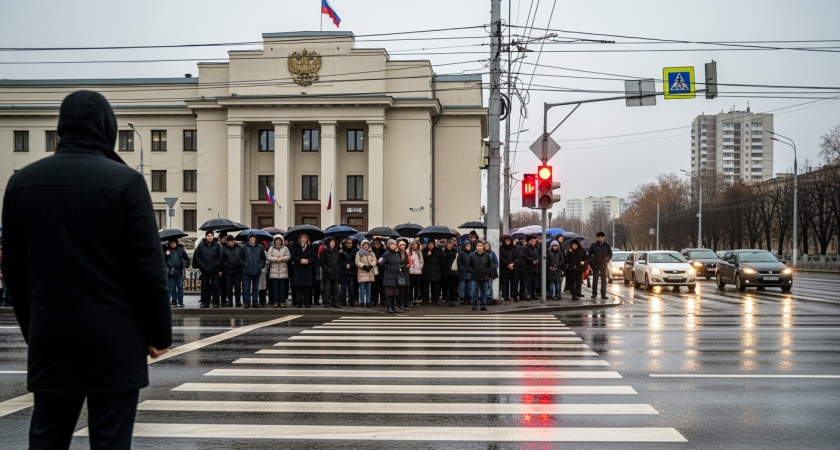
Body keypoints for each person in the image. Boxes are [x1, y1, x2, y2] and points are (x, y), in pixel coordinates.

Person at [1, 90, 171, 449]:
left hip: (52, 338)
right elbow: (148, 267)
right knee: (110, 440)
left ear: (62, 129)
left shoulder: (21, 183)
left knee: (47, 437)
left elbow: (15, 272)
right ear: (106, 130)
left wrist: (37, 329)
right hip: (116, 340)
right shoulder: (126, 181)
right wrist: (159, 334)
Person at [194, 230, 223, 308]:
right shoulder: (201, 245)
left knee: (215, 285)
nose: (210, 237)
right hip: (204, 269)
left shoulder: (217, 246)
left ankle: (216, 302)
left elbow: (220, 257)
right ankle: (204, 302)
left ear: (213, 237)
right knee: (204, 286)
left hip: (215, 269)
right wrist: (201, 264)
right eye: (208, 236)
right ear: (206, 237)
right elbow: (197, 256)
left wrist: (216, 265)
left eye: (211, 236)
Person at [291, 233, 317, 308]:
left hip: (307, 269)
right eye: (302, 237)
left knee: (307, 287)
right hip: (298, 268)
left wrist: (308, 260)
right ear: (300, 239)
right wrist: (300, 260)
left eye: (305, 237)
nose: (303, 239)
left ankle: (307, 302)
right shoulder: (296, 246)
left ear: (307, 239)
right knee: (298, 287)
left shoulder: (310, 247)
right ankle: (299, 302)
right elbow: (293, 256)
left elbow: (314, 258)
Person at [241, 235, 266, 309]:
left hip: (257, 270)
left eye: (254, 238)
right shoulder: (244, 247)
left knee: (256, 288)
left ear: (256, 239)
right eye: (251, 238)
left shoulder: (260, 247)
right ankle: (247, 303)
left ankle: (255, 302)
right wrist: (245, 265)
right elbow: (240, 258)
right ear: (248, 239)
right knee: (246, 288)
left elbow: (263, 259)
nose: (252, 239)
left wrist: (260, 265)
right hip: (247, 270)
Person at [164, 238, 190, 307]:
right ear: (169, 244)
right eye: (171, 243)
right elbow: (163, 261)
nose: (173, 244)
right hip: (171, 273)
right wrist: (166, 255)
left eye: (174, 243)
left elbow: (187, 258)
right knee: (172, 287)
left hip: (179, 272)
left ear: (176, 243)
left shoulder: (180, 250)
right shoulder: (167, 251)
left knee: (180, 287)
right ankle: (174, 301)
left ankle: (180, 301)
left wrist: (187, 264)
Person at [467, 241, 493, 311]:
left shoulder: (487, 256)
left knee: (483, 292)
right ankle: (474, 305)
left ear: (483, 247)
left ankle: (483, 305)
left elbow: (491, 265)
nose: (479, 247)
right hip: (474, 277)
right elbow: (468, 265)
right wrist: (472, 271)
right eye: (478, 246)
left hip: (484, 277)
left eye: (481, 246)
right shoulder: (472, 255)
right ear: (476, 247)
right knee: (474, 291)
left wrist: (487, 272)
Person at [379, 239, 403, 313]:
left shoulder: (396, 254)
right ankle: (389, 307)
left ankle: (394, 307)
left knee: (395, 293)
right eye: (391, 244)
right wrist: (390, 268)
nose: (393, 245)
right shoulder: (387, 253)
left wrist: (400, 267)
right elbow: (381, 263)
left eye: (394, 244)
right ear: (389, 245)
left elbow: (398, 263)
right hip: (389, 276)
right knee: (389, 293)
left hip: (396, 276)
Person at [267, 234, 291, 308]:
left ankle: (281, 301)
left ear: (281, 241)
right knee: (275, 287)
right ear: (274, 241)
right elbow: (268, 257)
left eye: (279, 240)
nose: (278, 241)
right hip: (274, 271)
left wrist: (282, 259)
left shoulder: (285, 248)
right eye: (276, 240)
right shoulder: (271, 248)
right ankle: (275, 301)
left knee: (282, 287)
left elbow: (288, 257)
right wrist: (275, 259)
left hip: (283, 271)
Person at [318, 237, 342, 308]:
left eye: (334, 242)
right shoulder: (324, 251)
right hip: (327, 273)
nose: (332, 244)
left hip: (336, 273)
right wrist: (326, 269)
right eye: (331, 242)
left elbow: (340, 261)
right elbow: (321, 262)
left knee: (336, 289)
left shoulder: (336, 251)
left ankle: (336, 302)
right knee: (327, 289)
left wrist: (338, 268)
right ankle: (326, 302)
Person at [588, 231, 613, 300]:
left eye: (602, 237)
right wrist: (592, 261)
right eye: (599, 237)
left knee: (603, 280)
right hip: (595, 265)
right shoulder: (594, 245)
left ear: (603, 238)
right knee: (595, 279)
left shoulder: (606, 245)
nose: (601, 238)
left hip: (603, 265)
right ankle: (594, 293)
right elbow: (589, 255)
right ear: (598, 238)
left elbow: (610, 254)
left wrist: (606, 260)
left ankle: (603, 294)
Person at [221, 236, 244, 307]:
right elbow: (222, 260)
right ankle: (230, 301)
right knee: (228, 287)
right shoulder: (224, 249)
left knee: (237, 287)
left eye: (232, 241)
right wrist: (227, 264)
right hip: (228, 271)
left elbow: (241, 258)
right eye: (230, 241)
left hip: (237, 270)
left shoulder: (239, 248)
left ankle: (238, 301)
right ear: (227, 242)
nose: (231, 242)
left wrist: (238, 264)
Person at [355, 240, 377, 308]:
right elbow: (357, 261)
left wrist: (370, 266)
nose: (366, 246)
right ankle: (362, 302)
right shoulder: (359, 253)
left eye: (367, 245)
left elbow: (374, 260)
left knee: (369, 289)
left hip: (370, 272)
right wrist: (363, 266)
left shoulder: (371, 253)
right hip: (362, 272)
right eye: (364, 245)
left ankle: (368, 302)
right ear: (362, 245)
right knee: (362, 289)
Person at [421, 240, 443, 305]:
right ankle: (425, 299)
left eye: (432, 244)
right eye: (429, 244)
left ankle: (435, 299)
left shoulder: (438, 250)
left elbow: (440, 259)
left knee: (435, 286)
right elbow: (423, 258)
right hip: (427, 270)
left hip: (436, 270)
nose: (431, 246)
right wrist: (427, 255)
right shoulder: (425, 250)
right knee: (426, 286)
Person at [339, 238, 358, 307]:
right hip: (344, 271)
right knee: (343, 287)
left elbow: (356, 260)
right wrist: (345, 264)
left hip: (352, 271)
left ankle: (351, 300)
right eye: (347, 243)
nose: (348, 244)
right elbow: (340, 260)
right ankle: (343, 300)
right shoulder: (342, 250)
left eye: (350, 243)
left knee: (351, 287)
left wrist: (351, 265)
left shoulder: (355, 250)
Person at [442, 239, 459, 306]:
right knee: (445, 286)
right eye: (448, 243)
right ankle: (445, 297)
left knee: (453, 286)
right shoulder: (444, 251)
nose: (449, 245)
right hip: (446, 271)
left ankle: (453, 298)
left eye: (451, 243)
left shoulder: (456, 251)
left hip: (453, 271)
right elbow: (442, 261)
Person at [499, 236, 516, 302]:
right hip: (504, 267)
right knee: (504, 282)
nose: (508, 242)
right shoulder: (501, 248)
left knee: (510, 282)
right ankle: (504, 295)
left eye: (509, 240)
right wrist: (507, 264)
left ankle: (508, 296)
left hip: (512, 267)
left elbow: (516, 257)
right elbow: (501, 257)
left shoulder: (513, 248)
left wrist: (512, 264)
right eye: (507, 240)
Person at [371, 238, 386, 306]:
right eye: (375, 242)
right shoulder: (372, 250)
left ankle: (382, 300)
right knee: (374, 286)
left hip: (381, 269)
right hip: (374, 269)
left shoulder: (383, 250)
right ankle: (375, 300)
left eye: (378, 242)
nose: (377, 244)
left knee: (382, 286)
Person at [408, 240, 424, 306]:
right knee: (411, 286)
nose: (415, 245)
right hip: (411, 271)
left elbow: (422, 261)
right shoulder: (409, 252)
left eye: (416, 244)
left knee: (417, 286)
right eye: (413, 244)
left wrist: (420, 266)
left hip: (418, 271)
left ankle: (416, 298)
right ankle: (411, 299)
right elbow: (409, 260)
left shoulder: (419, 252)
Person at [397, 240, 411, 309]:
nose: (402, 246)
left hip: (406, 272)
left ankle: (406, 302)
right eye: (401, 245)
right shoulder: (398, 253)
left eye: (403, 245)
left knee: (407, 288)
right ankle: (401, 303)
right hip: (401, 272)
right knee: (401, 288)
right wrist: (405, 266)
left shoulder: (406, 253)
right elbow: (398, 263)